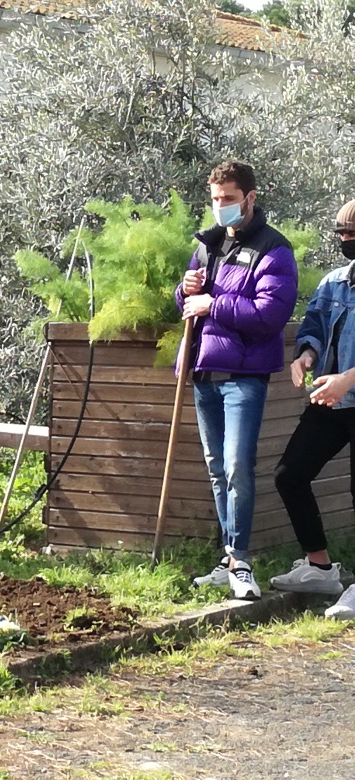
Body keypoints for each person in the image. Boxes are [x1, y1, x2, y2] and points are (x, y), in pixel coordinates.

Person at [179, 160, 298, 600]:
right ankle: (226, 558)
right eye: (214, 200)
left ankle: (241, 560)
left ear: (250, 197)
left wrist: (212, 303)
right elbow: (190, 305)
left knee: (236, 468)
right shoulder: (207, 245)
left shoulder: (274, 249)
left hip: (244, 377)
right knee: (215, 469)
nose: (220, 208)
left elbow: (270, 316)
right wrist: (185, 290)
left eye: (228, 199)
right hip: (204, 370)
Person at [270, 199, 355, 618]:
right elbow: (314, 326)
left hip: (346, 391)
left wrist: (347, 379)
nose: (346, 242)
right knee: (290, 475)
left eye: (352, 236)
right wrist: (305, 355)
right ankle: (320, 567)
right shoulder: (334, 283)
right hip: (330, 398)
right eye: (342, 236)